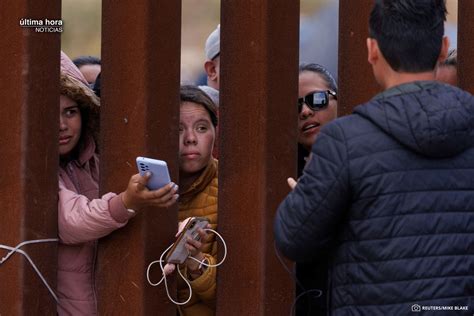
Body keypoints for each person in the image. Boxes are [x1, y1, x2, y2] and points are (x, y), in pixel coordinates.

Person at [274, 1, 474, 315]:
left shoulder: (343, 140)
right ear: (443, 47)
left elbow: (292, 238)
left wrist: (307, 198)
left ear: (372, 50)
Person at [57, 51, 178, 315]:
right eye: (50, 114)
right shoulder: (38, 171)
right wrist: (125, 202)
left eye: (70, 112)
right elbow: (71, 221)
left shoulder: (94, 161)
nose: (62, 125)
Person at [294, 63, 338, 316]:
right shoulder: (282, 174)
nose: (306, 111)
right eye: (296, 105)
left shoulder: (369, 160)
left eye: (317, 100)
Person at [174, 85, 219, 315]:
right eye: (178, 129)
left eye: (201, 128)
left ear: (215, 133)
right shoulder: (141, 187)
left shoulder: (231, 191)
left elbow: (238, 293)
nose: (190, 139)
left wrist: (196, 261)